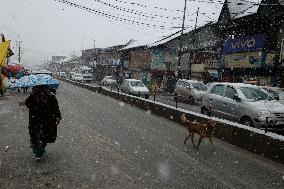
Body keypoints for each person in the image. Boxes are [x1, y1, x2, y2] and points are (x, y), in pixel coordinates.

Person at [19, 85, 62, 160]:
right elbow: (56, 108)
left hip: (36, 120)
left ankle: (38, 151)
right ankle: (40, 149)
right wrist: (57, 116)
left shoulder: (33, 96)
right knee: (44, 134)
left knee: (36, 134)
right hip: (47, 120)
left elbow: (28, 104)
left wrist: (25, 102)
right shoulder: (51, 96)